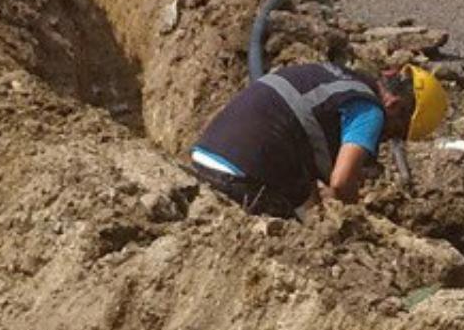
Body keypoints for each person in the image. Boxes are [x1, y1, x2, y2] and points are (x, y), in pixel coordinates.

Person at [191, 61, 449, 218]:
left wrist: (318, 214)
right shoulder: (369, 111)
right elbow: (341, 181)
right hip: (241, 178)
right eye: (394, 132)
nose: (383, 139)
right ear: (394, 105)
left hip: (204, 160)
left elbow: (304, 163)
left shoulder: (335, 77)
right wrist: (354, 225)